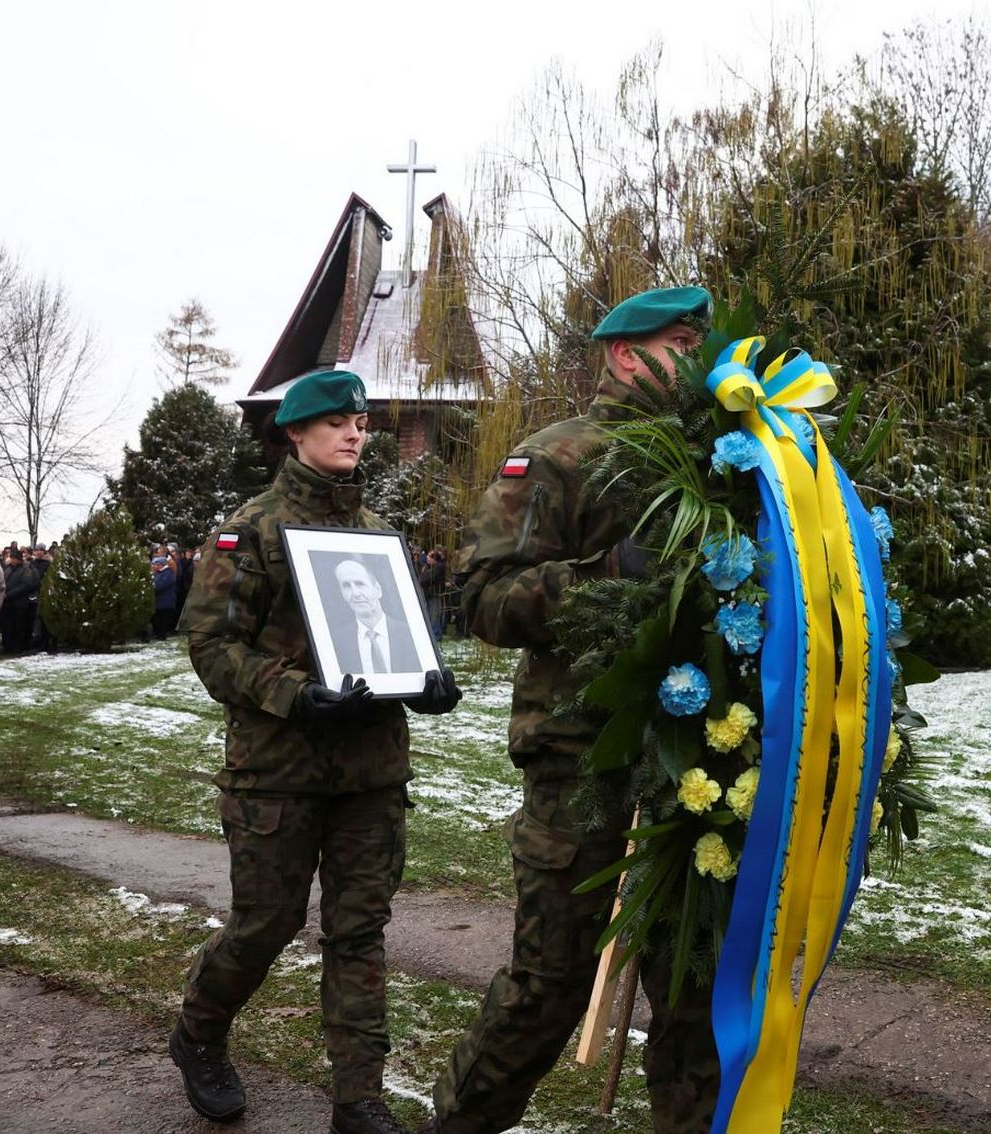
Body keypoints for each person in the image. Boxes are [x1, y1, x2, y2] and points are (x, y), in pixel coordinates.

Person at [419, 287, 715, 1134]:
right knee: (550, 984)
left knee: (696, 996)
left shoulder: (724, 460)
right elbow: (480, 598)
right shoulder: (559, 457)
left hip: (699, 763)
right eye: (679, 341)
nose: (695, 356)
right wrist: (604, 576)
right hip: (582, 759)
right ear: (625, 354)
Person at [169, 369, 463, 1134]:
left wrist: (428, 683)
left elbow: (398, 641)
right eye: (336, 422)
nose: (355, 432)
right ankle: (199, 1031)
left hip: (370, 771)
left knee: (360, 932)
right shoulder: (252, 529)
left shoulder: (375, 535)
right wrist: (294, 694)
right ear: (294, 433)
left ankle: (357, 1099)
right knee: (265, 924)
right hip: (278, 771)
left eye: (361, 422)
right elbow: (211, 645)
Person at [328, 557, 421, 676]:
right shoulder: (336, 642)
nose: (355, 593)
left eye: (360, 584)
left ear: (377, 589)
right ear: (342, 595)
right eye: (346, 586)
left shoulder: (410, 634)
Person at [0, 548, 38, 654]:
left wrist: (10, 594)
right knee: (7, 626)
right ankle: (7, 645)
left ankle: (18, 646)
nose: (11, 560)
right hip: (7, 603)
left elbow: (25, 585)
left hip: (19, 603)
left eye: (13, 558)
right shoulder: (8, 569)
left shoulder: (25, 570)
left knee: (19, 626)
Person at [151, 554, 179, 639]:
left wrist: (152, 587)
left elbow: (160, 585)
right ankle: (158, 634)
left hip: (165, 601)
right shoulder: (159, 573)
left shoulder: (168, 573)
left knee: (162, 620)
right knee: (158, 620)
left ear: (161, 565)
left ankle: (162, 635)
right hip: (160, 601)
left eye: (156, 564)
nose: (154, 566)